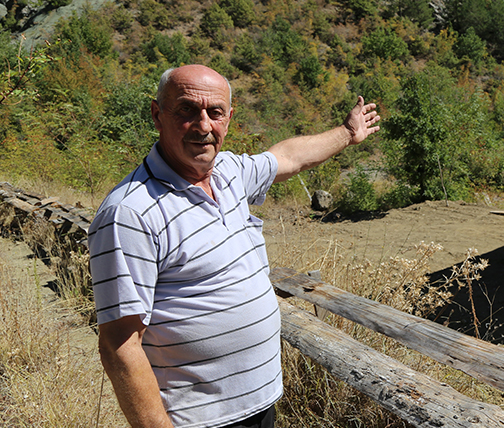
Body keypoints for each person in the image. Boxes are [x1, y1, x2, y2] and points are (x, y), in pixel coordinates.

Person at [89, 64, 380, 428]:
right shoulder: (129, 212)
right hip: (199, 420)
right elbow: (119, 344)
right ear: (156, 114)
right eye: (186, 110)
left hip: (261, 404)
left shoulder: (228, 173)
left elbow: (289, 157)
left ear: (229, 117)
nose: (204, 126)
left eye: (215, 112)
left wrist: (348, 133)